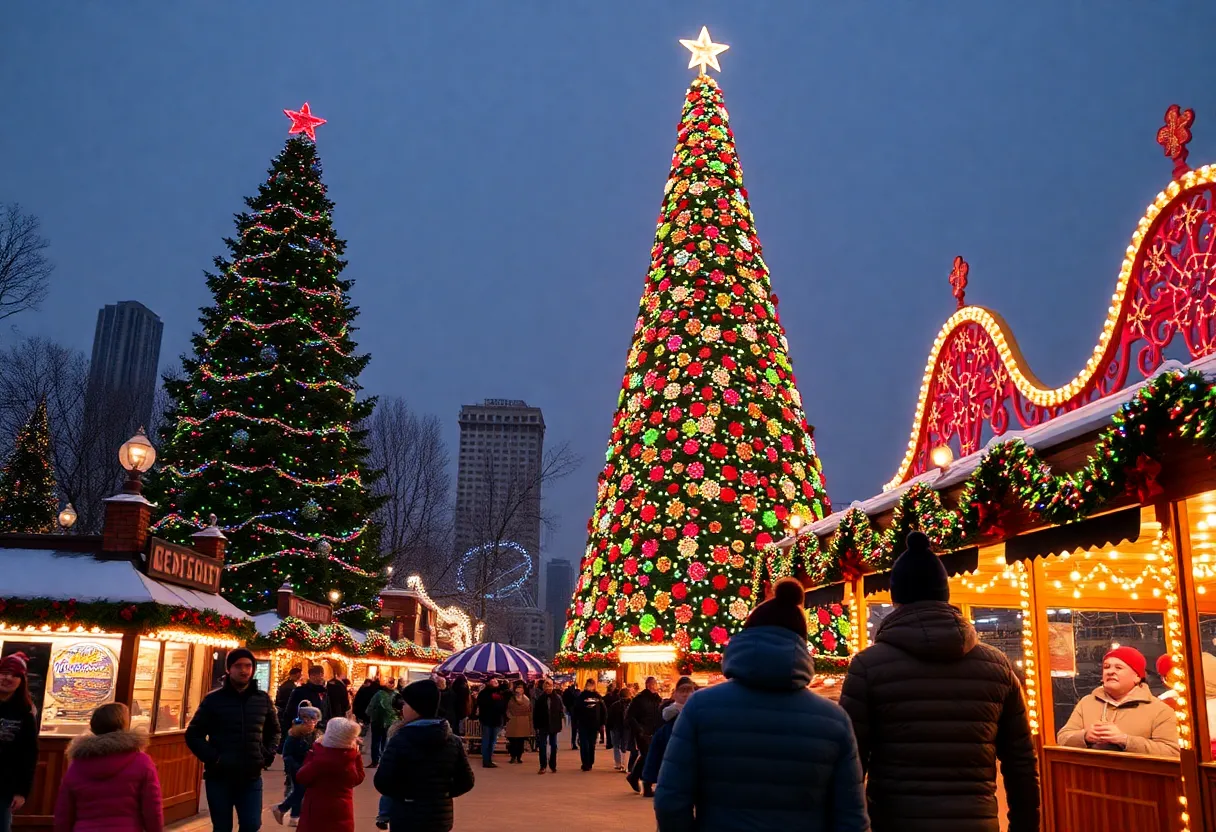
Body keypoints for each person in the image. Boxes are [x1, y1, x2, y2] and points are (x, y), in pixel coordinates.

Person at [840, 532, 1038, 832]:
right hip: (976, 822)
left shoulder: (868, 666)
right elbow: (1021, 763)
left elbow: (851, 763)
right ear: (944, 593)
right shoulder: (997, 666)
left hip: (895, 821)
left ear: (896, 598)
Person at [654, 578, 868, 832]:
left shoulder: (701, 707)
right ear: (801, 643)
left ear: (746, 636)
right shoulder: (834, 719)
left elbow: (670, 800)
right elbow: (851, 817)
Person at [185, 648, 279, 832]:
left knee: (252, 824)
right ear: (229, 669)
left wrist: (266, 755)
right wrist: (214, 758)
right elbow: (193, 734)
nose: (243, 670)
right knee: (222, 827)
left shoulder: (262, 699)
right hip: (220, 777)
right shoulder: (213, 700)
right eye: (238, 666)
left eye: (248, 666)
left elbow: (274, 731)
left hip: (251, 776)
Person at [375, 679, 476, 832]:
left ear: (416, 708)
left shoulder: (400, 740)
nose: (402, 708)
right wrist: (441, 795)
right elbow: (466, 781)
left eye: (406, 704)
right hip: (439, 818)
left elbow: (383, 781)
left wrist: (405, 796)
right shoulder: (452, 741)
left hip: (406, 815)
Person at [53, 702, 162, 832]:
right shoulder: (141, 762)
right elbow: (152, 807)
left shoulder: (78, 765)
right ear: (124, 726)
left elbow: (64, 811)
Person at [1057, 644, 1179, 758]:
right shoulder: (1087, 703)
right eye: (1106, 667)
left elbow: (1172, 752)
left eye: (1119, 667)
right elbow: (1062, 738)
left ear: (1137, 677)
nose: (1110, 671)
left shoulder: (1160, 710)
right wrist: (1085, 736)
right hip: (1089, 778)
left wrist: (1124, 740)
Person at [294, 717, 364, 832]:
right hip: (343, 811)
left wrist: (312, 753)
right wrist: (357, 756)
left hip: (316, 812)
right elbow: (358, 778)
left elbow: (301, 776)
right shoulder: (349, 758)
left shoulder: (319, 759)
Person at [0, 651, 38, 832]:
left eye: (15, 674)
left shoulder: (25, 713)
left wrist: (22, 791)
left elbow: (29, 754)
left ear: (21, 680)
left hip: (4, 788)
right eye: (4, 672)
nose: (8, 678)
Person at [272, 700, 321, 827]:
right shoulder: (294, 734)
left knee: (300, 791)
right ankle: (282, 809)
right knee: (299, 790)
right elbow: (287, 754)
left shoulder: (316, 734)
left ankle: (293, 816)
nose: (312, 723)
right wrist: (295, 767)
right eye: (309, 720)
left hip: (310, 768)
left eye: (314, 721)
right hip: (297, 768)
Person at [641, 680, 696, 791]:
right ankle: (648, 782)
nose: (685, 694)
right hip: (667, 737)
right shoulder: (670, 707)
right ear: (675, 694)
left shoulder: (695, 706)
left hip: (685, 739)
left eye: (688, 691)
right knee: (657, 759)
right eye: (682, 691)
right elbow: (665, 716)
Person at [625, 676, 664, 795]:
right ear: (648, 685)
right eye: (652, 684)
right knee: (647, 756)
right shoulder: (639, 699)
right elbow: (629, 717)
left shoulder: (657, 699)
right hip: (642, 733)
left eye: (655, 684)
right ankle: (641, 780)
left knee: (648, 756)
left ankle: (634, 777)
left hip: (655, 732)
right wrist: (639, 730)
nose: (654, 687)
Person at [532, 679, 564, 774]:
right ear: (544, 687)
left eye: (550, 685)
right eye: (546, 685)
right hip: (543, 725)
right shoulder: (540, 699)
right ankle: (543, 766)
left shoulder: (557, 698)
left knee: (553, 745)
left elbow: (560, 711)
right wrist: (536, 725)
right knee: (542, 746)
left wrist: (559, 724)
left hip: (554, 725)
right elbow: (536, 713)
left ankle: (553, 765)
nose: (548, 687)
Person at [574, 679, 606, 771]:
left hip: (593, 724)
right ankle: (586, 763)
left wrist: (602, 723)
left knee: (590, 744)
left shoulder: (597, 697)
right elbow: (576, 710)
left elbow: (603, 711)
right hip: (584, 724)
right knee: (585, 744)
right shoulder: (582, 697)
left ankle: (589, 762)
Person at [285, 666, 330, 730]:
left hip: (323, 729)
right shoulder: (300, 691)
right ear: (312, 676)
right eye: (320, 675)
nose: (322, 678)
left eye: (322, 675)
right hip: (305, 729)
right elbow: (290, 712)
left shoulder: (326, 691)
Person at [366, 679, 397, 768]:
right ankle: (384, 761)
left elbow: (370, 707)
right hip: (389, 722)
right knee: (386, 741)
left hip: (377, 720)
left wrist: (369, 716)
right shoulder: (396, 694)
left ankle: (375, 762)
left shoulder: (379, 694)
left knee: (376, 741)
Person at [476, 677, 507, 767]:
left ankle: (489, 759)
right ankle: (486, 760)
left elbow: (503, 706)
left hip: (496, 720)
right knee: (486, 740)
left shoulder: (500, 693)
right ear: (489, 683)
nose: (496, 682)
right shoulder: (484, 693)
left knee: (493, 740)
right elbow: (482, 705)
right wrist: (493, 700)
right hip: (487, 720)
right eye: (493, 681)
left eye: (496, 681)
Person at [504, 681, 533, 764]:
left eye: (521, 688)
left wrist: (529, 722)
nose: (519, 690)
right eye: (518, 688)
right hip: (513, 721)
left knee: (521, 741)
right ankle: (513, 756)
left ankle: (519, 756)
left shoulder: (526, 699)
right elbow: (508, 709)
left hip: (523, 721)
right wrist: (509, 717)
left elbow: (529, 711)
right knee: (513, 741)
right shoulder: (511, 699)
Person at [606, 685, 633, 772]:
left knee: (616, 746)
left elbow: (609, 718)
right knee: (625, 746)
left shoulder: (615, 705)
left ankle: (618, 763)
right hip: (627, 728)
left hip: (616, 728)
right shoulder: (632, 705)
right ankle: (625, 764)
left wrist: (609, 727)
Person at [275, 667, 303, 743]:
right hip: (286, 713)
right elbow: (289, 702)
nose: (300, 676)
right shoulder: (290, 687)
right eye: (299, 675)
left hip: (283, 712)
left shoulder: (286, 684)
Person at [562, 682, 580, 749]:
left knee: (574, 729)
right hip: (578, 712)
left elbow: (564, 700)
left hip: (572, 711)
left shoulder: (567, 692)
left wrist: (568, 708)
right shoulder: (578, 693)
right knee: (578, 728)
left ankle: (573, 742)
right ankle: (577, 741)